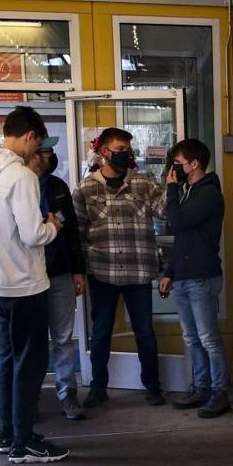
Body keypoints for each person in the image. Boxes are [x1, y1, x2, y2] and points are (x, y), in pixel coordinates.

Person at [0, 106, 70, 463]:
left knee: (9, 360)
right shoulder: (22, 176)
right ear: (29, 136)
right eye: (38, 143)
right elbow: (33, 235)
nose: (37, 151)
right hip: (25, 284)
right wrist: (53, 225)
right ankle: (23, 442)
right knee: (31, 364)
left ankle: (8, 433)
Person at [74, 128, 167, 408]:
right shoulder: (85, 188)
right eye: (119, 149)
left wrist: (172, 185)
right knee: (101, 332)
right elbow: (78, 231)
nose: (125, 154)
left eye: (128, 149)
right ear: (103, 151)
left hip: (138, 271)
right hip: (103, 272)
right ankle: (98, 387)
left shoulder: (144, 182)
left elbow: (164, 212)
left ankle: (152, 386)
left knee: (145, 332)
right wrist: (81, 269)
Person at [158, 137, 229, 418]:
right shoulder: (190, 191)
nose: (173, 168)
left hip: (202, 276)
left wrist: (171, 188)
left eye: (178, 163)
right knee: (191, 338)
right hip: (185, 276)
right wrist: (170, 273)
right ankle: (201, 387)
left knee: (208, 338)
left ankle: (219, 393)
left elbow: (176, 222)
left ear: (195, 164)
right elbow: (182, 238)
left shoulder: (208, 193)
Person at [28, 140, 87, 420]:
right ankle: (31, 398)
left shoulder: (58, 186)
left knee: (63, 338)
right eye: (47, 152)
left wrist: (78, 270)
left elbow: (72, 230)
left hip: (60, 271)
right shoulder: (17, 185)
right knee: (34, 340)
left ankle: (67, 393)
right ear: (33, 154)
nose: (52, 156)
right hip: (28, 275)